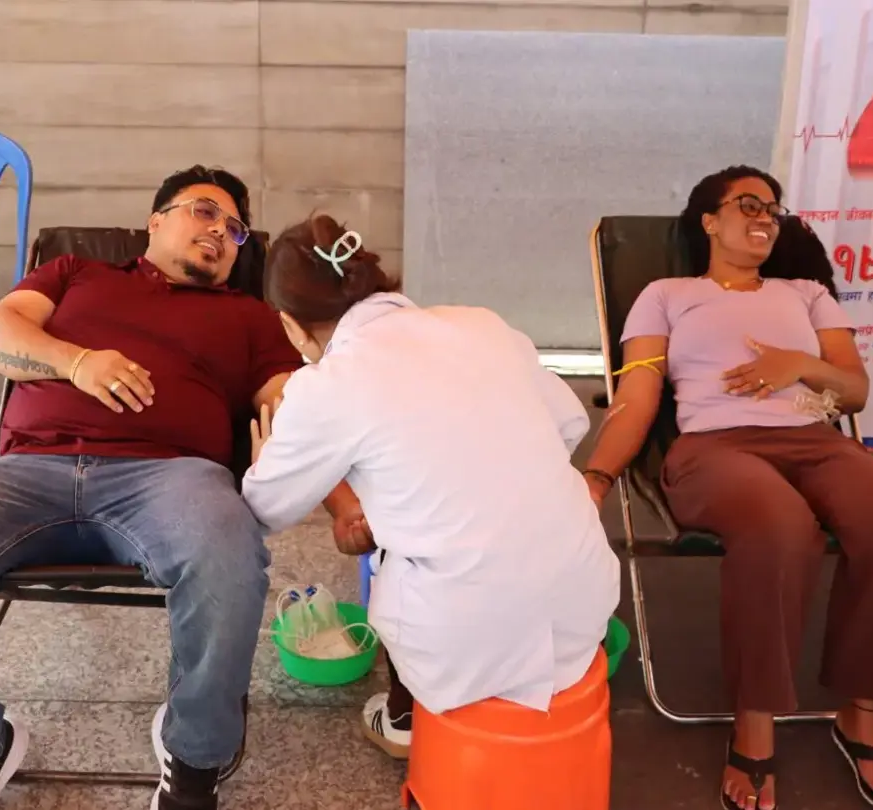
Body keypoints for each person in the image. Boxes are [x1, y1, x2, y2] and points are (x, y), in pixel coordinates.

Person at [0, 166, 312, 810]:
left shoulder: (250, 315)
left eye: (235, 229)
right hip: (29, 470)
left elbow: (285, 393)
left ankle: (195, 758)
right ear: (156, 220)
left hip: (170, 478)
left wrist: (297, 427)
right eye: (205, 211)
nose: (222, 231)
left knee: (229, 554)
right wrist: (76, 362)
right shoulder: (76, 273)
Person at [582, 165, 873, 810]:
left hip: (815, 440)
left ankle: (862, 712)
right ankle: (755, 716)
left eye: (773, 210)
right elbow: (637, 395)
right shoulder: (666, 294)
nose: (764, 218)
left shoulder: (806, 294)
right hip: (715, 447)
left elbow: (854, 390)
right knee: (779, 526)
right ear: (709, 220)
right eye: (748, 204)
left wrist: (798, 365)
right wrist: (597, 477)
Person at [241, 215, 621, 759]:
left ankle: (404, 720)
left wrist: (264, 460)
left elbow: (266, 508)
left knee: (392, 558)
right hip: (585, 603)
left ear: (291, 327)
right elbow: (569, 425)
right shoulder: (481, 324)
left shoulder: (326, 385)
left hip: (466, 639)